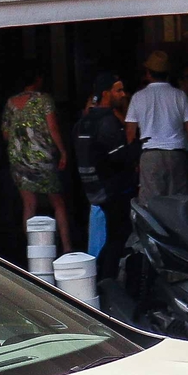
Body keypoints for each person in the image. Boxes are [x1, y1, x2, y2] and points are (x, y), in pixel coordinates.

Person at [76, 71, 138, 281]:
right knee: (115, 240)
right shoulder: (107, 122)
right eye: (118, 90)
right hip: (112, 191)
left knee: (103, 240)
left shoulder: (84, 122)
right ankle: (108, 283)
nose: (123, 94)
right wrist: (137, 148)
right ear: (106, 93)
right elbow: (120, 157)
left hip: (92, 190)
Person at [3, 69, 71, 250]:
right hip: (43, 159)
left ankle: (34, 250)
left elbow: (5, 133)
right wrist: (63, 151)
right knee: (58, 203)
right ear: (38, 79)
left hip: (19, 159)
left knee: (29, 204)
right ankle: (66, 248)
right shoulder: (44, 100)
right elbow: (53, 127)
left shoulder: (11, 103)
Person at [125, 51, 188, 199]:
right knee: (179, 201)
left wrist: (135, 160)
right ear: (168, 74)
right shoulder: (179, 95)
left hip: (150, 155)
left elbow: (130, 133)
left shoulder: (138, 97)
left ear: (148, 73)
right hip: (177, 154)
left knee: (152, 204)